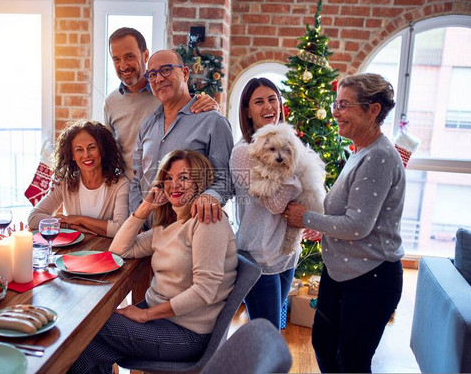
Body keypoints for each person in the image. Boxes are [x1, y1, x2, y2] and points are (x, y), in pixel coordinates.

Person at [71, 150, 238, 374]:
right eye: (168, 178)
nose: (174, 184)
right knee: (87, 347)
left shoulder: (207, 222)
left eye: (184, 177)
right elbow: (118, 250)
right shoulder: (167, 227)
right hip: (159, 316)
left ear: (200, 183)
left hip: (186, 333)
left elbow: (205, 290)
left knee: (89, 325)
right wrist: (144, 208)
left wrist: (146, 314)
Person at [285, 73, 405, 373]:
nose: (336, 112)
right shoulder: (360, 151)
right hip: (342, 273)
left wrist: (306, 217)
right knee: (324, 345)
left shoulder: (378, 157)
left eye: (345, 105)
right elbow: (351, 214)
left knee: (352, 362)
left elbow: (357, 226)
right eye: (335, 104)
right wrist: (322, 225)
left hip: (370, 279)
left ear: (373, 110)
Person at [129, 49, 233, 226]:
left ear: (185, 73)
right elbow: (136, 180)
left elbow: (227, 179)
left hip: (189, 234)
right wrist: (137, 219)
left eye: (166, 70)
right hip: (146, 235)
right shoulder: (147, 125)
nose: (159, 79)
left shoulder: (213, 121)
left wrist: (209, 197)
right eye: (152, 74)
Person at [230, 77, 302, 330]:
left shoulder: (289, 143)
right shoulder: (243, 153)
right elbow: (276, 204)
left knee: (272, 331)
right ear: (247, 111)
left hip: (286, 253)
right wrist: (296, 179)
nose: (268, 106)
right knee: (265, 333)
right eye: (258, 102)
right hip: (259, 255)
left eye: (272, 99)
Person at [104, 27, 217, 180]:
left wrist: (213, 106)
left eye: (129, 56)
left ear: (145, 55)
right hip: (134, 194)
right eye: (116, 59)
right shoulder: (111, 102)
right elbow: (109, 156)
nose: (123, 66)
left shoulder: (165, 92)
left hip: (177, 191)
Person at [28, 119, 128, 238]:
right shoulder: (65, 182)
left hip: (106, 252)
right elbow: (33, 218)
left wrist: (79, 220)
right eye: (79, 150)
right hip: (72, 251)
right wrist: (68, 226)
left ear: (102, 150)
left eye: (91, 147)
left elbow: (120, 229)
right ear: (72, 156)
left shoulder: (120, 184)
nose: (86, 155)